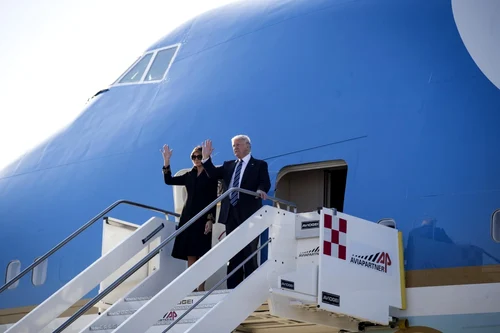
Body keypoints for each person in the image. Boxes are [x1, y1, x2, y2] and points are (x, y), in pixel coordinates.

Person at [201, 135, 271, 289]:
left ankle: (251, 288)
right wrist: (206, 158)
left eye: (238, 145)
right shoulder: (228, 165)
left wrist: (260, 190)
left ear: (248, 146)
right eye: (233, 145)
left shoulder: (259, 165)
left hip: (250, 213)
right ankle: (232, 288)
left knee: (249, 251)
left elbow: (264, 182)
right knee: (233, 252)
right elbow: (212, 173)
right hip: (230, 213)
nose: (235, 148)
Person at [161, 144, 218, 291]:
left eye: (199, 156)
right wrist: (167, 161)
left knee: (202, 254)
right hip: (188, 217)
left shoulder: (210, 175)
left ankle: (201, 288)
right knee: (191, 254)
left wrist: (210, 219)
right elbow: (169, 181)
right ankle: (192, 285)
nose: (196, 159)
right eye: (194, 157)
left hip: (203, 217)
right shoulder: (189, 175)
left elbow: (213, 198)